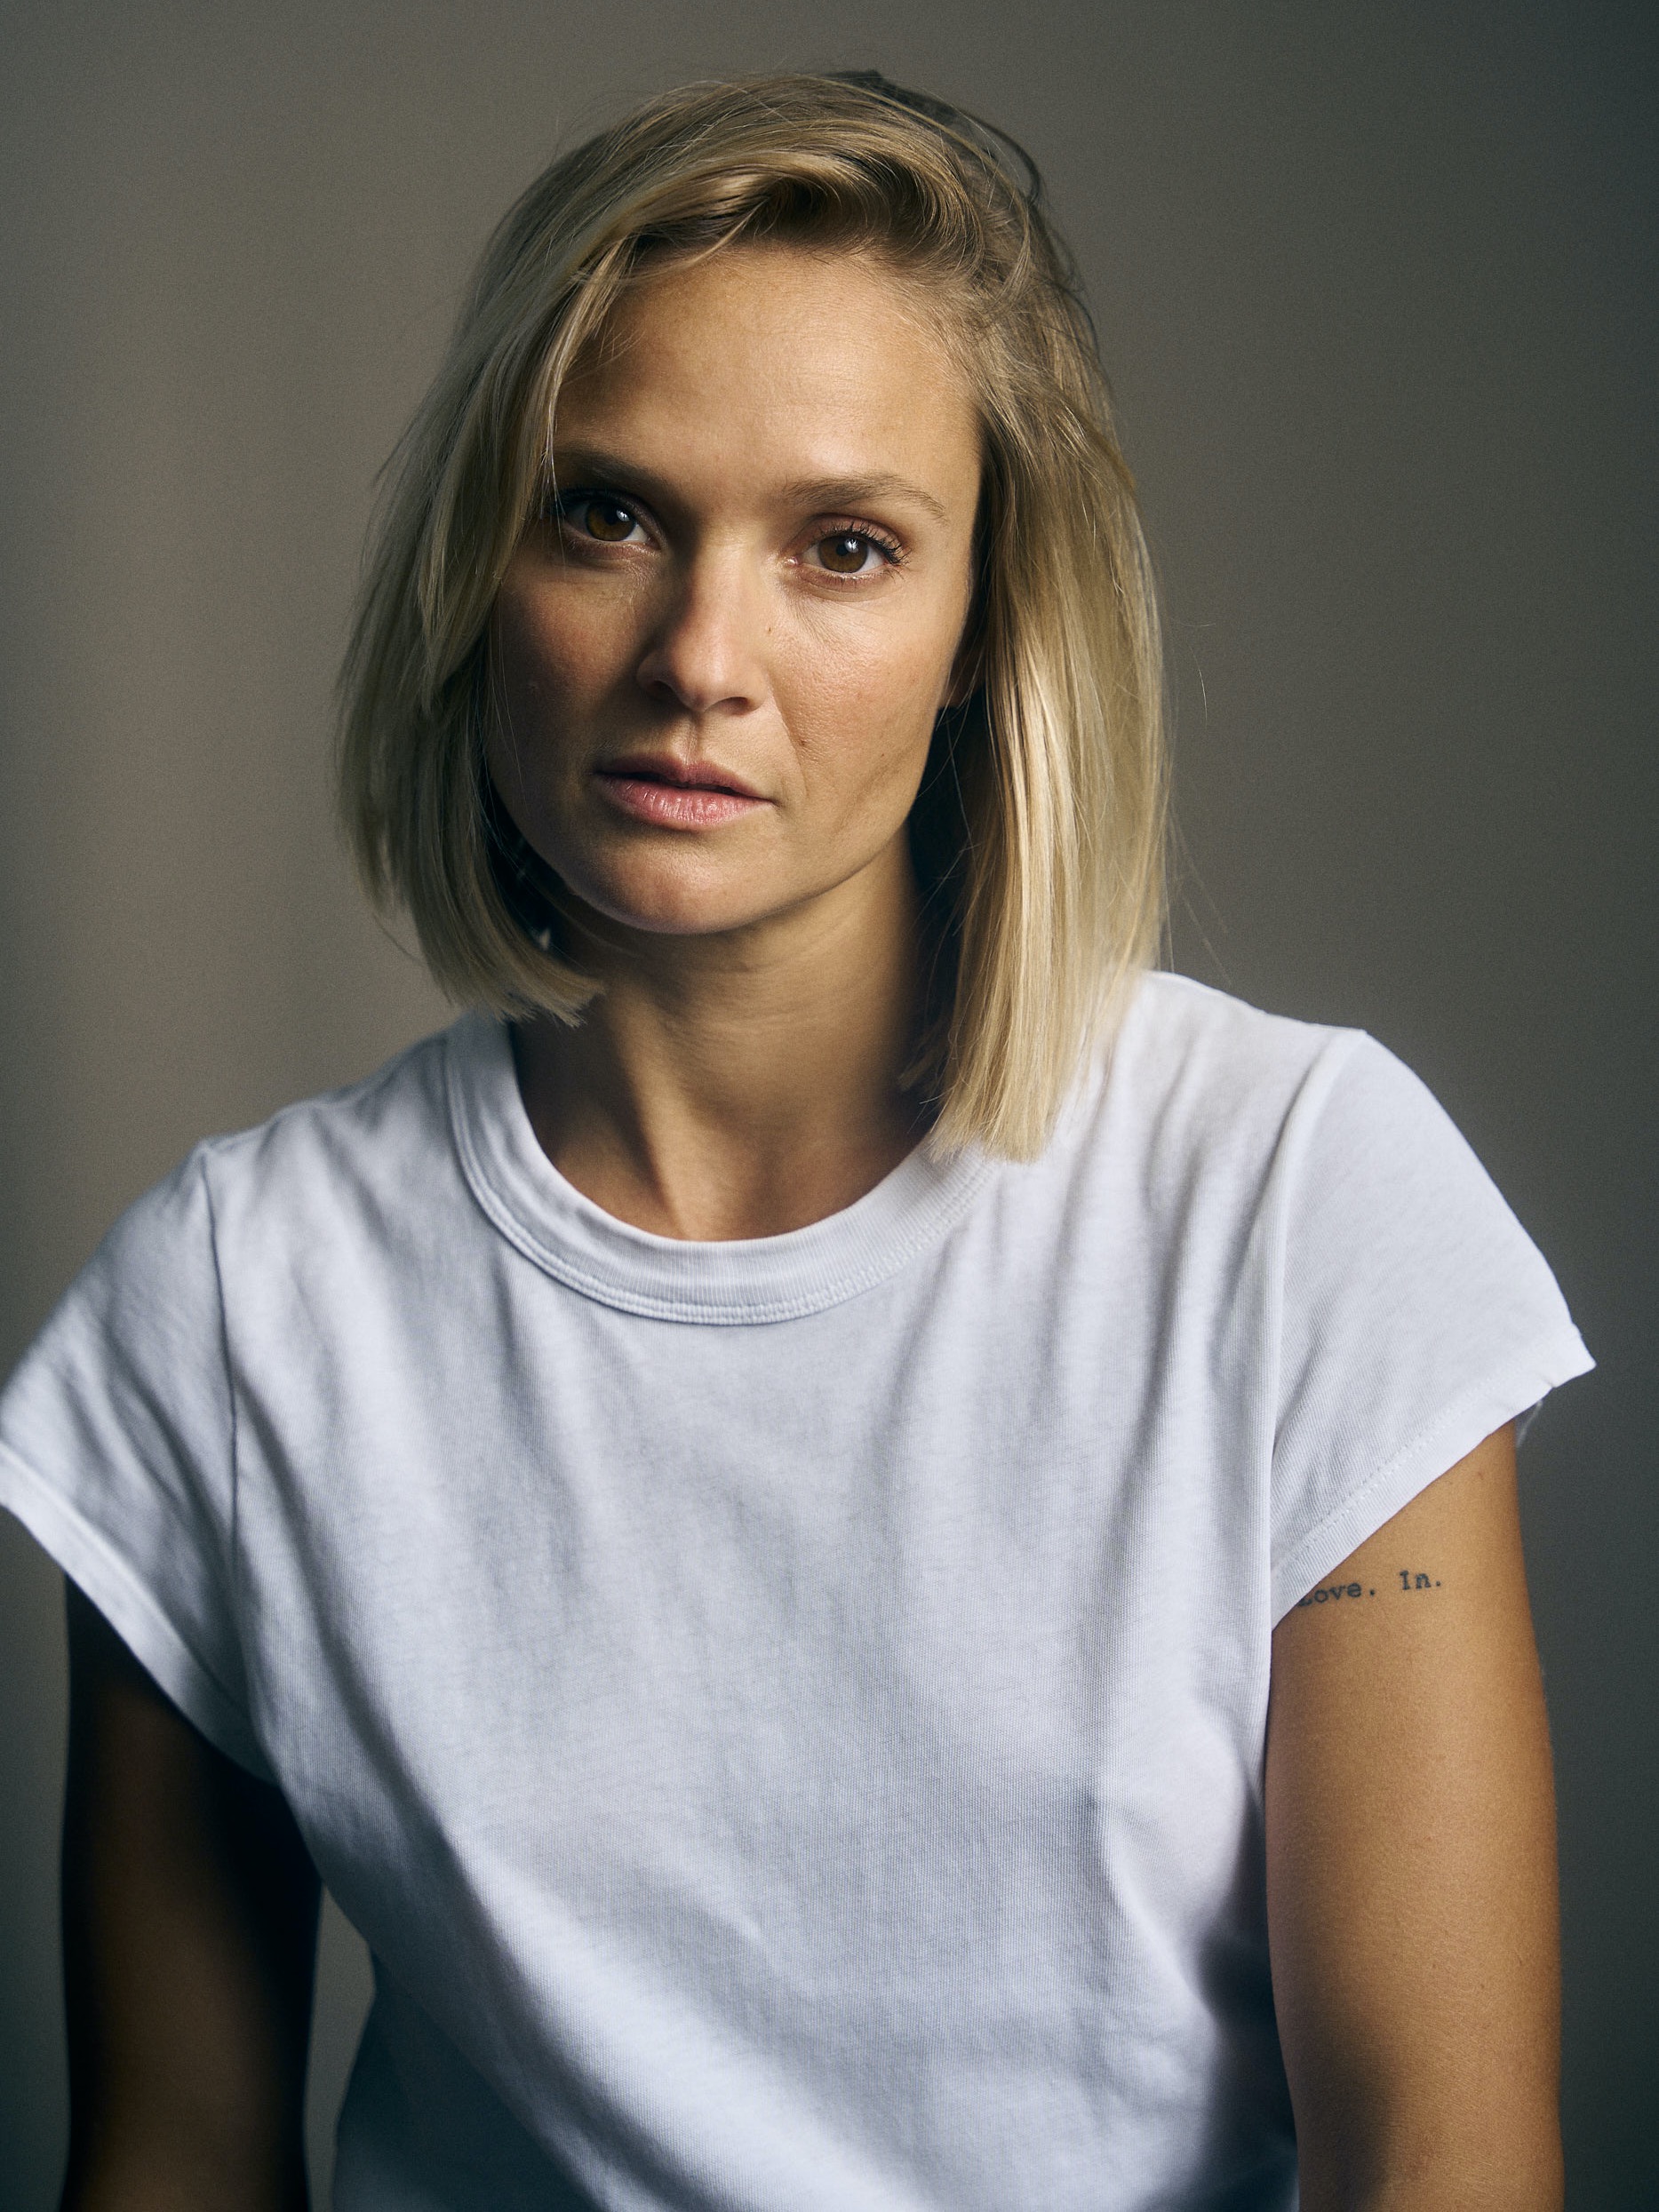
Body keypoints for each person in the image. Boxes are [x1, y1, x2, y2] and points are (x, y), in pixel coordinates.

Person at [0, 70, 1591, 2212]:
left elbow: (1445, 2162)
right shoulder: (230, 1308)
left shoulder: (1295, 1201)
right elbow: (174, 2164)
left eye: (842, 547)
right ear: (481, 564)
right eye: (606, 515)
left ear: (979, 633)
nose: (698, 660)